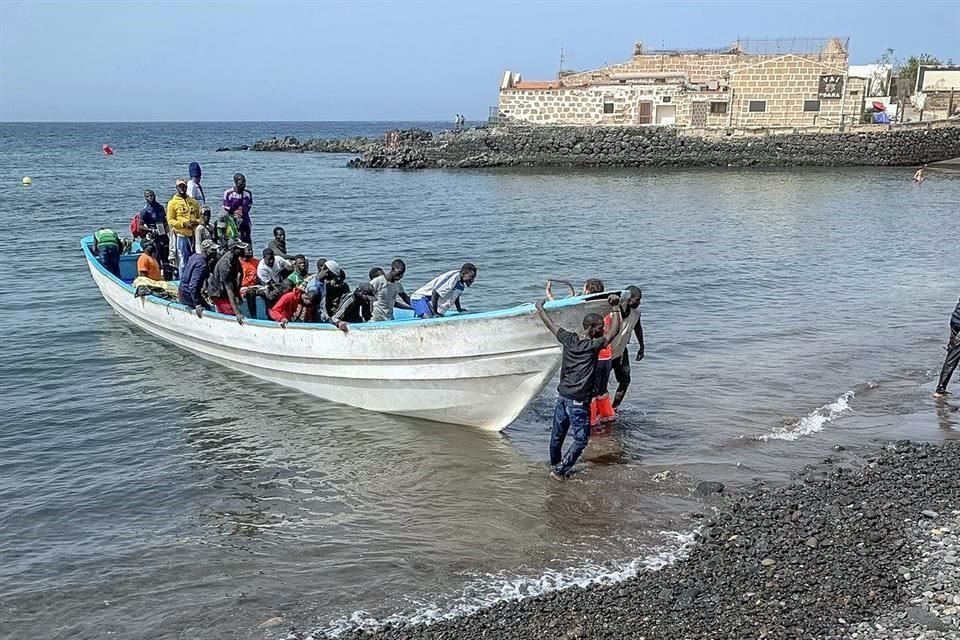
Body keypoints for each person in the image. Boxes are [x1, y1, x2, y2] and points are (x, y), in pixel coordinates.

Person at [535, 295, 621, 479]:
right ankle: (559, 470)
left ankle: (555, 464)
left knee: (557, 436)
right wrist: (615, 309)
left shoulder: (569, 339)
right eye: (599, 328)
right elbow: (614, 332)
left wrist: (540, 308)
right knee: (581, 440)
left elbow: (550, 325)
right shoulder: (592, 346)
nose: (602, 330)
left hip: (562, 396)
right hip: (578, 401)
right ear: (590, 329)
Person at [608, 286, 645, 409]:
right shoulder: (613, 310)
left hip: (621, 352)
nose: (638, 303)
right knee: (599, 384)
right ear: (628, 299)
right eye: (637, 300)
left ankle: (614, 408)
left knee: (625, 381)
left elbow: (638, 328)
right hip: (606, 353)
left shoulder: (636, 313)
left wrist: (641, 346)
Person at [410, 263, 477, 318]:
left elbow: (456, 296)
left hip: (430, 300)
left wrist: (459, 309)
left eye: (474, 277)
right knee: (428, 317)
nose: (472, 280)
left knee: (437, 317)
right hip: (419, 297)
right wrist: (435, 312)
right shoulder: (453, 278)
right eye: (471, 277)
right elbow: (435, 293)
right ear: (463, 274)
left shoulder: (461, 284)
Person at [204, 241, 247, 324]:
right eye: (241, 249)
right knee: (231, 313)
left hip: (225, 291)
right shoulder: (225, 265)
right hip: (217, 293)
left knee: (233, 308)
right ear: (234, 250)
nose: (244, 251)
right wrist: (237, 313)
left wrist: (238, 295)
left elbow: (240, 274)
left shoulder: (235, 258)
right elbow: (229, 289)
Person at [166, 178, 201, 275]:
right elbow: (170, 220)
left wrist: (195, 222)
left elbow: (200, 217)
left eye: (184, 186)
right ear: (176, 188)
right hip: (181, 235)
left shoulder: (193, 202)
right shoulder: (172, 203)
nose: (182, 188)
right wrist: (183, 224)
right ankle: (183, 281)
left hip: (194, 235)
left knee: (195, 259)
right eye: (180, 186)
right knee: (183, 261)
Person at [178, 239, 218, 317]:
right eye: (213, 250)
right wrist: (197, 304)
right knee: (208, 312)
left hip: (182, 289)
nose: (215, 252)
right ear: (206, 251)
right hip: (188, 293)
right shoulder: (202, 264)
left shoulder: (195, 256)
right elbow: (193, 285)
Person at [138, 190, 170, 275]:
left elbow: (165, 220)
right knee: (156, 257)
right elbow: (140, 227)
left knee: (166, 258)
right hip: (153, 236)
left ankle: (168, 278)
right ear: (145, 198)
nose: (150, 198)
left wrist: (167, 227)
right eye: (148, 196)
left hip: (163, 234)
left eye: (151, 195)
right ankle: (157, 277)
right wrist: (151, 230)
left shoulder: (160, 207)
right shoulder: (144, 211)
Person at [934, 296, 960, 398]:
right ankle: (940, 390)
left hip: (955, 320)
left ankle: (940, 388)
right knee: (953, 357)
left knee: (952, 355)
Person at [222, 172, 253, 245]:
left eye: (244, 182)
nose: (243, 185)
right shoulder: (228, 193)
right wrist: (234, 216)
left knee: (247, 241)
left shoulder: (248, 193)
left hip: (245, 219)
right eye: (241, 183)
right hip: (232, 220)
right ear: (236, 182)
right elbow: (226, 210)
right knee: (234, 241)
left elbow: (249, 207)